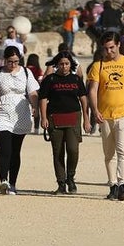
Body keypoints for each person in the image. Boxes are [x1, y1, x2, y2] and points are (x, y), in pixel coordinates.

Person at [87, 31, 124, 201]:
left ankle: (123, 184)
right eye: (106, 48)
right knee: (109, 153)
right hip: (105, 115)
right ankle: (112, 184)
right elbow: (93, 90)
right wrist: (95, 110)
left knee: (123, 151)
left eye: (112, 47)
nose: (109, 51)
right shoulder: (98, 66)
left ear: (119, 44)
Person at [38, 52, 90, 195]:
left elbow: (83, 99)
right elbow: (43, 99)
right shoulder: (50, 79)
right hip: (55, 118)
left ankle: (70, 177)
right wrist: (43, 118)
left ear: (71, 64)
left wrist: (86, 118)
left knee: (73, 150)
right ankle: (61, 183)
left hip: (73, 117)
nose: (64, 66)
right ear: (57, 65)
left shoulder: (76, 79)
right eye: (61, 64)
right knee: (58, 152)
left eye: (67, 64)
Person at [0, 46, 39, 195]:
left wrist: (35, 106)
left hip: (20, 114)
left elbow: (32, 92)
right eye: (10, 61)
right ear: (5, 60)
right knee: (5, 148)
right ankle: (3, 180)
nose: (13, 64)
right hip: (2, 112)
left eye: (16, 61)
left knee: (15, 150)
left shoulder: (26, 72)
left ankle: (13, 183)